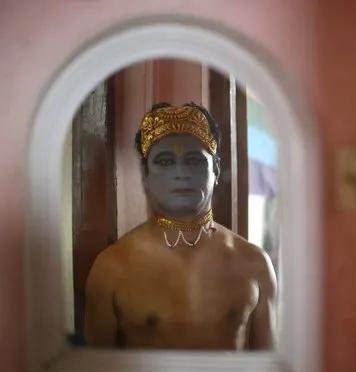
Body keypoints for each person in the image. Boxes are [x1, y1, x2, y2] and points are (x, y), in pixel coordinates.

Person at [83, 102, 277, 351]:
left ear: (215, 169)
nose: (181, 172)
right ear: (145, 174)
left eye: (194, 160)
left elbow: (269, 370)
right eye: (165, 161)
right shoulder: (112, 267)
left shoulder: (254, 262)